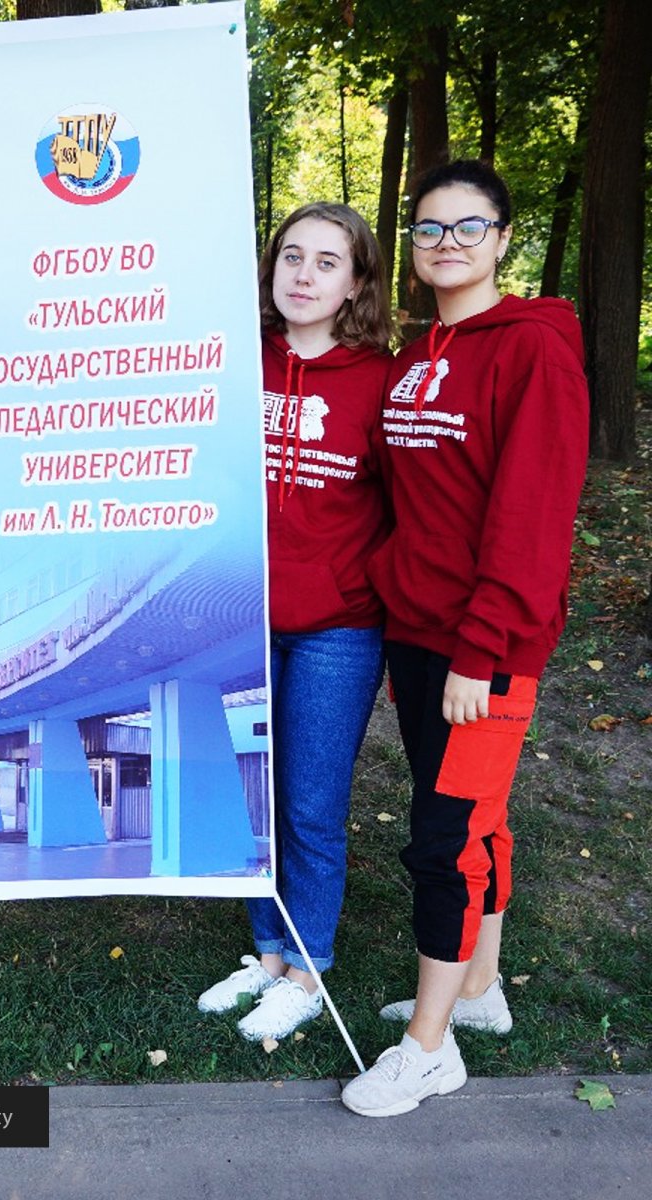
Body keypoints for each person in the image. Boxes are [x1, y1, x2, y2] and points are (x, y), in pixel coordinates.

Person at [341, 160, 589, 1117]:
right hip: (419, 630)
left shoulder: (532, 348)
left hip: (485, 644)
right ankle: (478, 991)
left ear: (503, 239)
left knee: (446, 841)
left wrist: (481, 649)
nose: (447, 243)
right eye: (429, 228)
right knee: (473, 820)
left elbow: (531, 515)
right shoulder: (415, 355)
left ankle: (428, 1047)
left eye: (467, 227)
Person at [197, 203, 392, 1040]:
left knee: (310, 803)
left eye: (326, 262)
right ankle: (268, 953)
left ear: (355, 282)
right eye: (292, 257)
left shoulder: (382, 379)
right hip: (239, 617)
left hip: (337, 626)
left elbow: (411, 501)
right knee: (249, 795)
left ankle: (309, 969)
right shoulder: (234, 361)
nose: (304, 275)